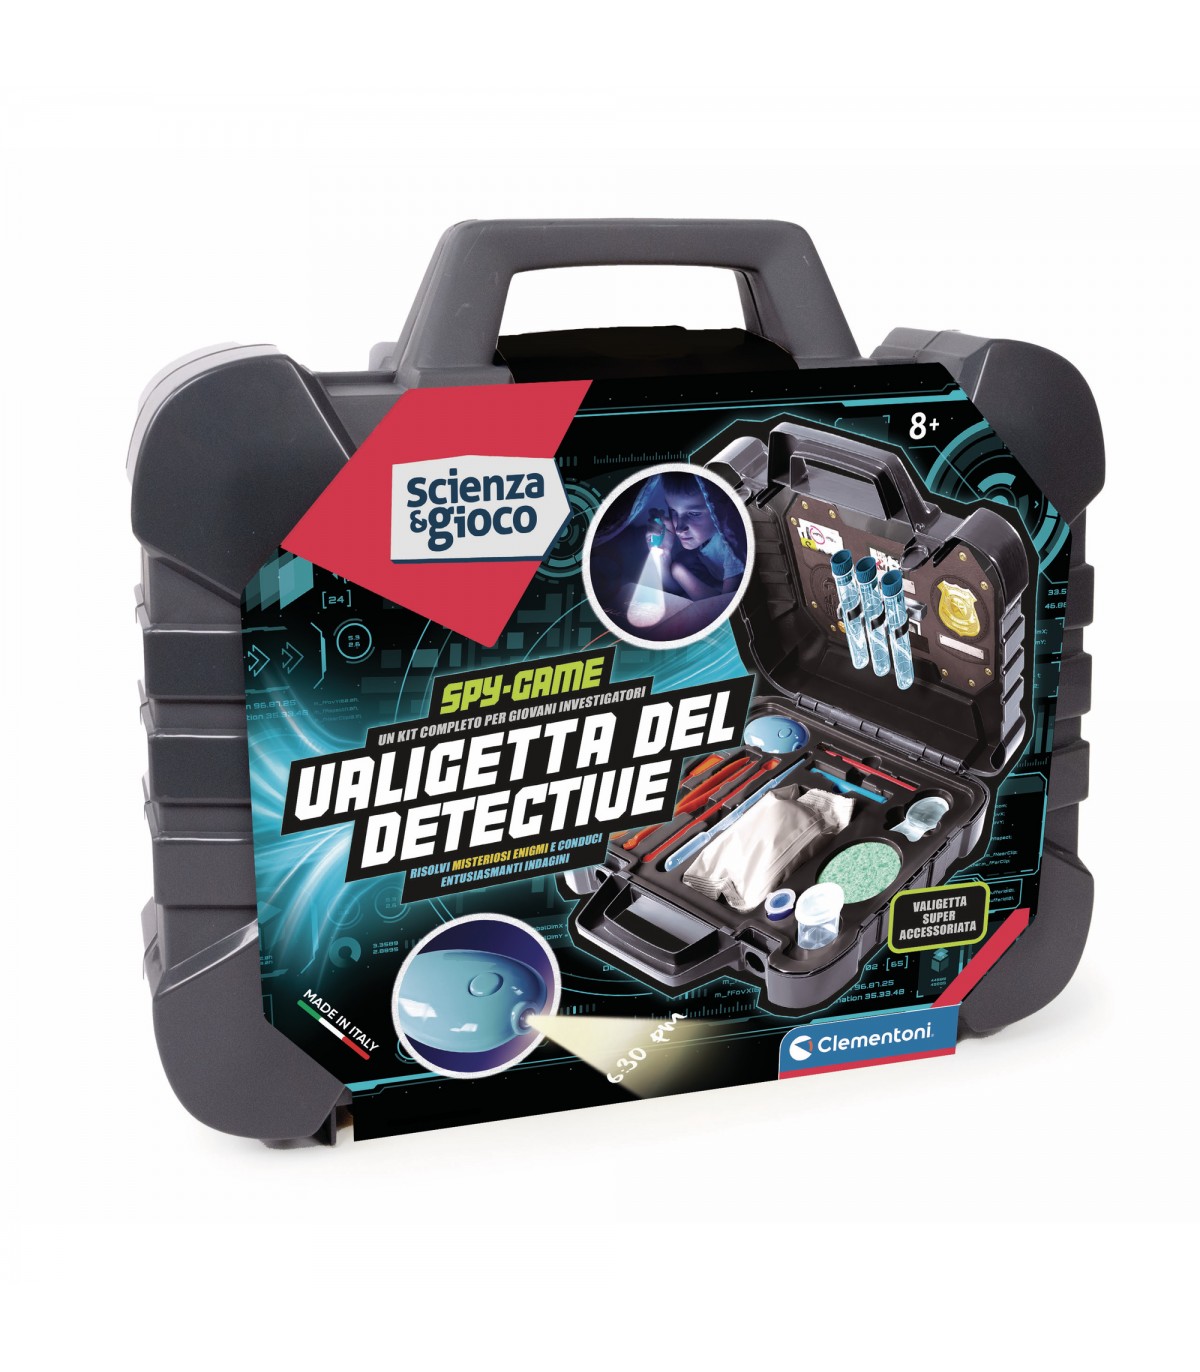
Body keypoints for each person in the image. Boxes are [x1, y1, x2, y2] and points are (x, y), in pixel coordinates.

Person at [644, 472, 746, 602]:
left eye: (694, 513)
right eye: (673, 511)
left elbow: (724, 605)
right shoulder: (702, 540)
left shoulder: (732, 548)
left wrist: (677, 571)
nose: (679, 528)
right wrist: (664, 552)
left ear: (719, 511)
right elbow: (674, 590)